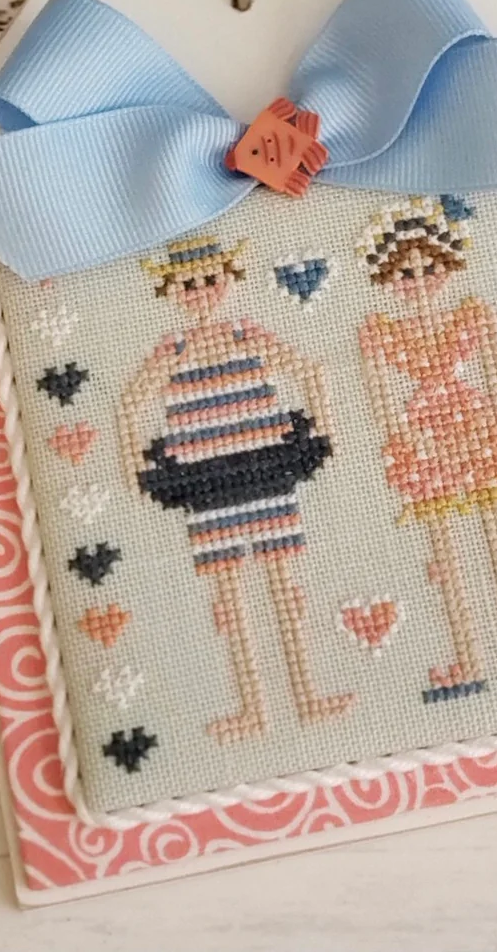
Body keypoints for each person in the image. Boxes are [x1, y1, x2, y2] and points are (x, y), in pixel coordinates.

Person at [119, 233, 355, 742]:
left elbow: (308, 369)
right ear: (170, 291)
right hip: (206, 478)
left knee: (282, 584)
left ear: (227, 280)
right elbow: (131, 403)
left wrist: (322, 424)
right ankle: (252, 706)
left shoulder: (246, 334)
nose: (201, 292)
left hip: (265, 464)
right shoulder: (172, 349)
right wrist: (133, 461)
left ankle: (306, 693)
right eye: (188, 285)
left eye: (209, 280)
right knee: (230, 594)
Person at [356, 196, 497, 701]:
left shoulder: (471, 314)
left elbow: (496, 377)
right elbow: (381, 395)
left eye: (428, 268)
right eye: (404, 274)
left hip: (473, 426)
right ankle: (466, 658)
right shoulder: (380, 332)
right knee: (445, 551)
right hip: (424, 438)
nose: (417, 281)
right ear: (387, 279)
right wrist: (402, 436)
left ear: (447, 267)